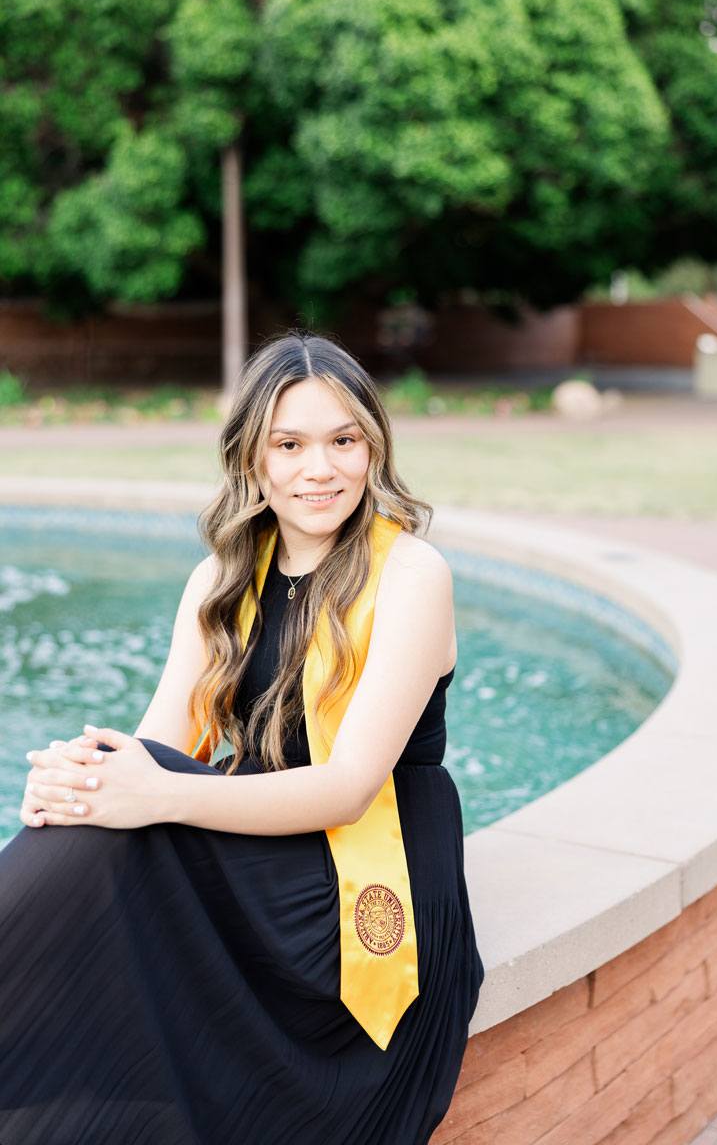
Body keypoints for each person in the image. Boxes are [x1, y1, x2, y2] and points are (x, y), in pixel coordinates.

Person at [0, 330, 484, 1145]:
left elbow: (350, 784)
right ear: (252, 460)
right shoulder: (223, 578)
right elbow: (161, 744)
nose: (318, 469)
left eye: (342, 441)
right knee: (100, 813)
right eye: (288, 445)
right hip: (257, 839)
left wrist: (153, 791)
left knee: (136, 810)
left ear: (373, 448)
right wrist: (78, 783)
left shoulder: (409, 574)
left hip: (370, 870)